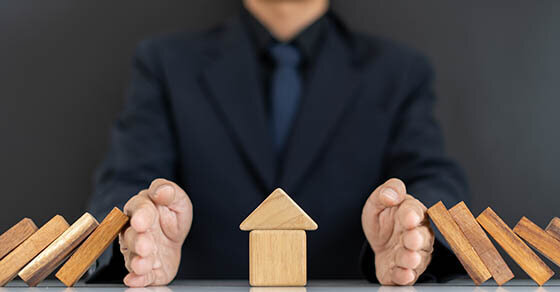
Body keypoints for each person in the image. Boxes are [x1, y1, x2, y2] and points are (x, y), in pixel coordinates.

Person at [88, 0, 468, 287]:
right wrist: (137, 234)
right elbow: (125, 182)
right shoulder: (165, 64)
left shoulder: (400, 72)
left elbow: (432, 177)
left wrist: (418, 234)